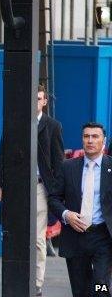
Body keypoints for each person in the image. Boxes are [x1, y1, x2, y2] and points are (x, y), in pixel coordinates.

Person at [0, 84, 64, 297]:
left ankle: (37, 284)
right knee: (13, 234)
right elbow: (2, 154)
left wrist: (58, 192)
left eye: (39, 98)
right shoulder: (15, 122)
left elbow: (58, 161)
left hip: (41, 188)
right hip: (16, 188)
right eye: (32, 98)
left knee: (38, 238)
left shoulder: (53, 126)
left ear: (44, 102)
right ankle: (15, 280)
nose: (35, 102)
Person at [48, 122, 112, 297]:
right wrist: (66, 215)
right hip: (75, 237)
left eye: (95, 136)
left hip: (103, 236)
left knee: (101, 286)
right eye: (86, 136)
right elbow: (53, 198)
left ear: (103, 141)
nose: (90, 140)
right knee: (80, 290)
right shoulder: (67, 167)